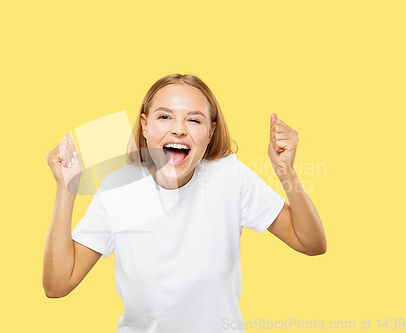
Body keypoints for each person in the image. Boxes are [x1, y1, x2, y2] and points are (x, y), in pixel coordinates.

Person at [43, 73, 327, 332]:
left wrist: (285, 171)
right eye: (165, 117)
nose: (178, 130)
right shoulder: (119, 189)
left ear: (211, 132)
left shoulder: (230, 176)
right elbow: (57, 284)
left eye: (193, 119)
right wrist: (67, 189)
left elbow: (311, 244)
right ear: (144, 125)